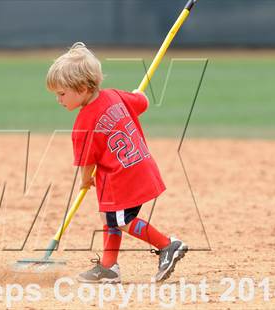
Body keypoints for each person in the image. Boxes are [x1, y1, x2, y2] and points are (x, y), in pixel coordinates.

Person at [46, 42, 187, 283]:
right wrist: (137, 94)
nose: (58, 100)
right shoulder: (114, 95)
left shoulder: (83, 123)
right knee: (107, 215)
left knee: (121, 220)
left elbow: (86, 162)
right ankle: (109, 268)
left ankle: (167, 245)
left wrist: (84, 181)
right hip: (133, 169)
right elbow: (142, 103)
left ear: (81, 88)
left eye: (61, 94)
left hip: (125, 178)